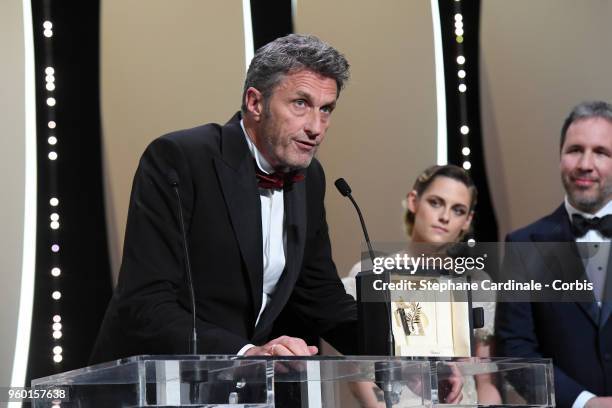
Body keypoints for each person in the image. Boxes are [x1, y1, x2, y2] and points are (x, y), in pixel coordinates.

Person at [90, 34, 358, 364]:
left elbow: (320, 295)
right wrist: (244, 353)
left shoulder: (309, 178)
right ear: (255, 103)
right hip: (147, 381)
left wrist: (411, 354)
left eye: (326, 109)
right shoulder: (180, 159)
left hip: (234, 388)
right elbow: (146, 300)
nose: (316, 127)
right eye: (300, 104)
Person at [343, 165, 500, 406]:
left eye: (458, 210)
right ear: (414, 201)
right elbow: (357, 373)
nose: (445, 216)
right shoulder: (369, 274)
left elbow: (485, 380)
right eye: (436, 202)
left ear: (467, 220)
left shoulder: (477, 282)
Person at [495, 101, 612, 408]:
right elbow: (515, 349)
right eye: (575, 150)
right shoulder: (523, 246)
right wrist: (584, 403)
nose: (585, 163)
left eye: (601, 152)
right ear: (560, 156)